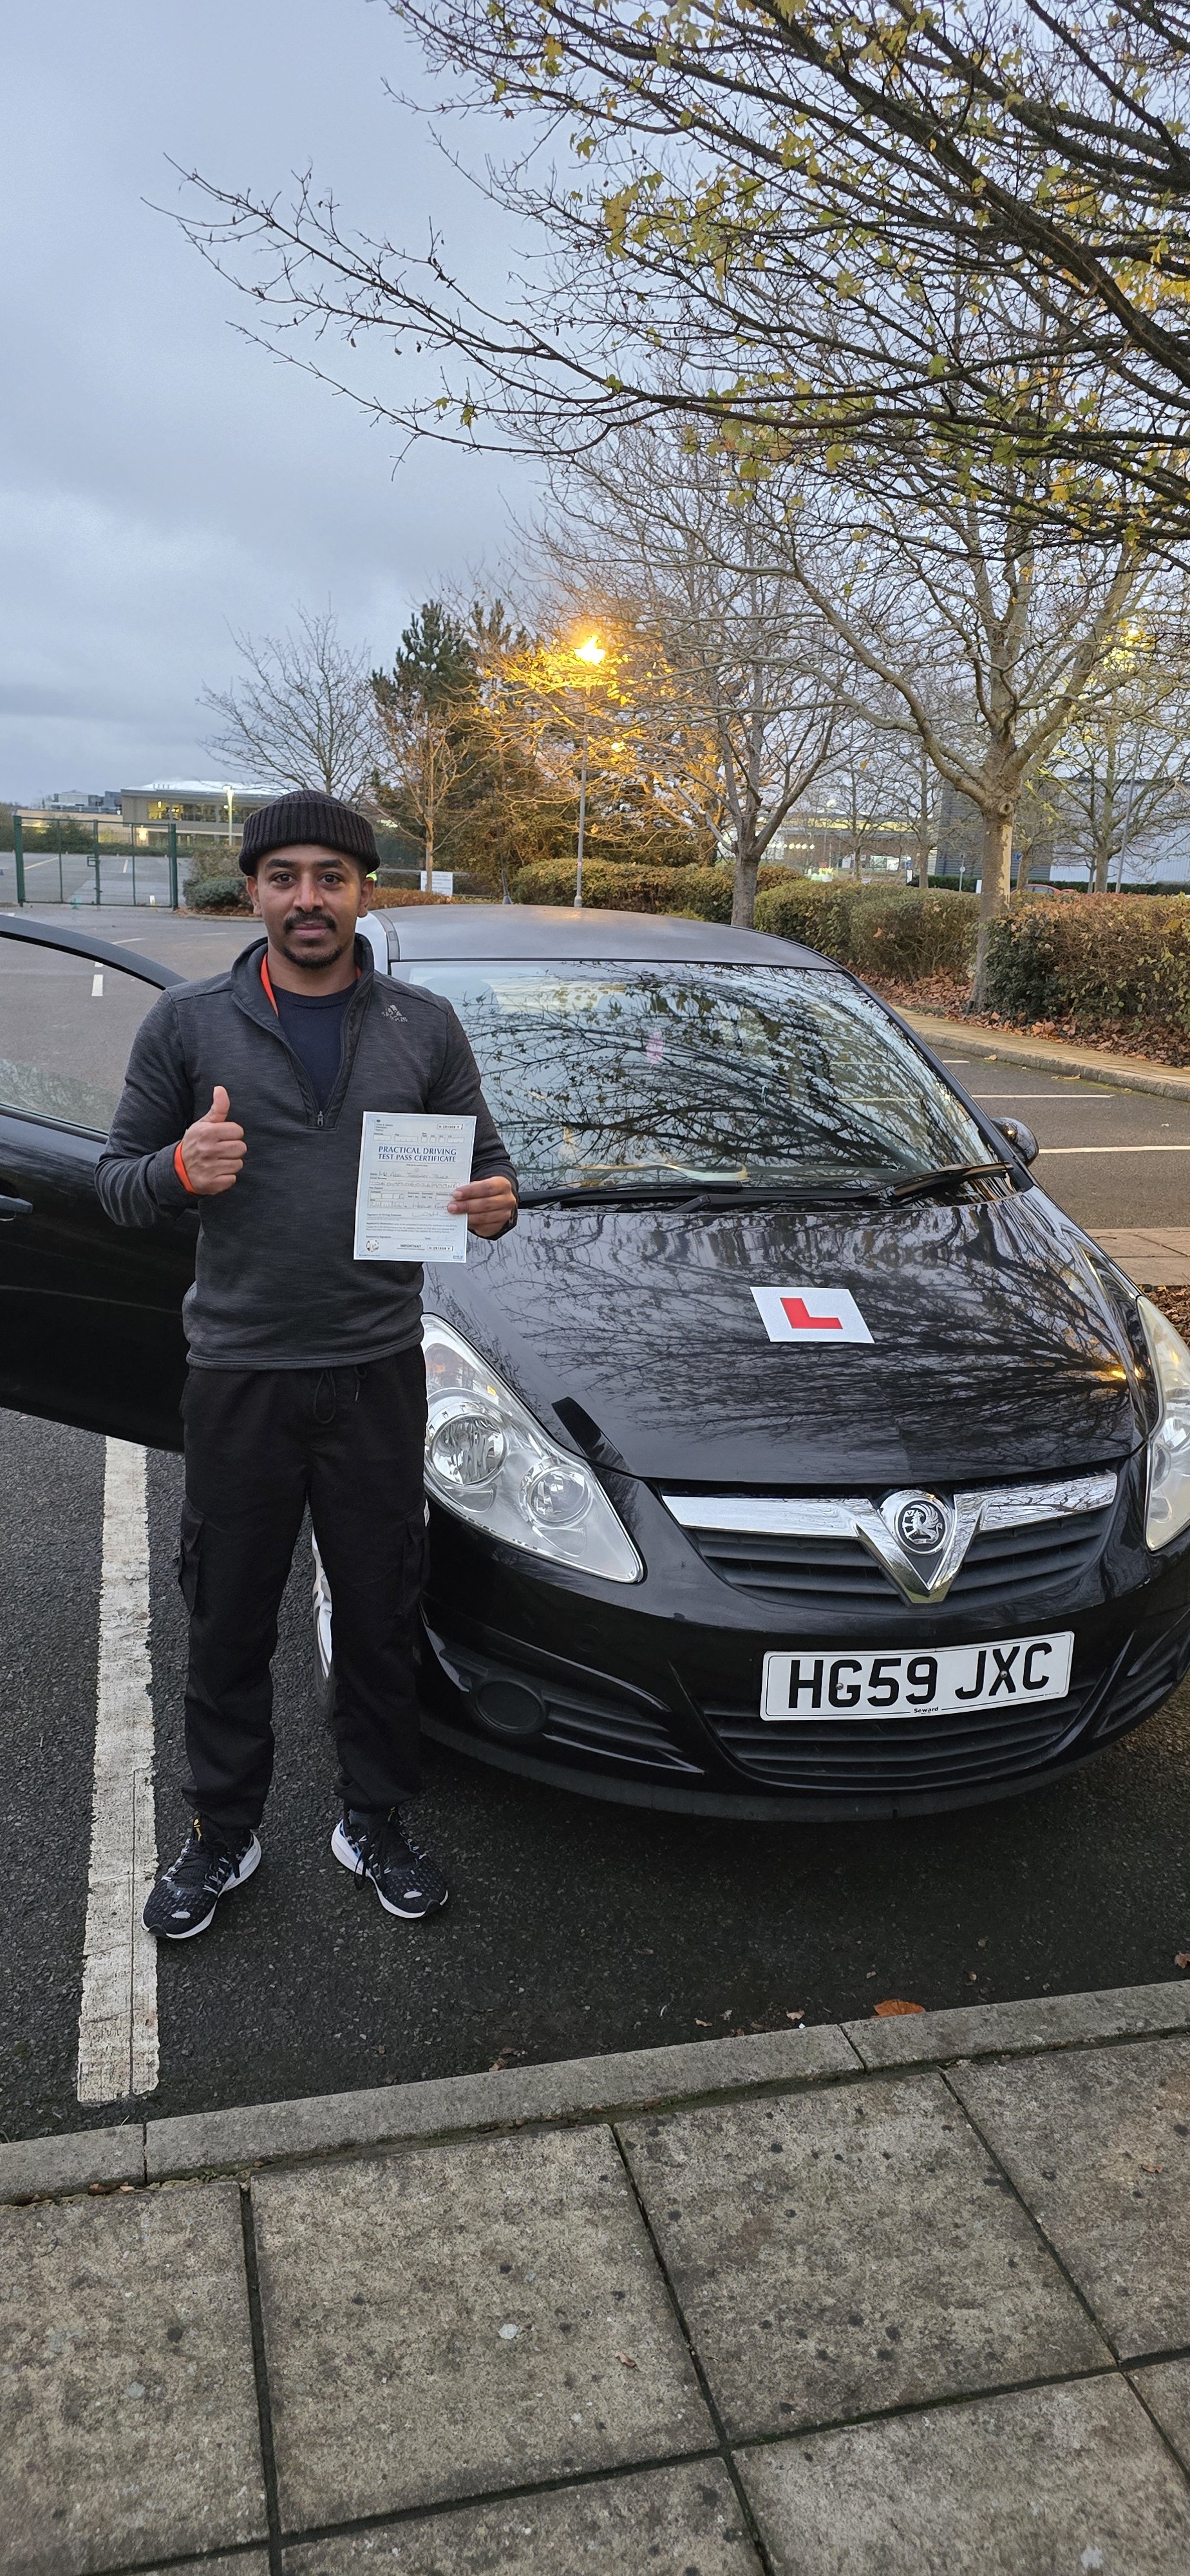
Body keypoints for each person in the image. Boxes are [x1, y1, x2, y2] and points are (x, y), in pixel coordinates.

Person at [96, 790, 517, 1939]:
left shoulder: (424, 1026)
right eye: (284, 877)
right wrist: (181, 1169)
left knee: (381, 1610)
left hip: (379, 1366)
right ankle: (222, 1834)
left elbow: (489, 1177)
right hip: (241, 1373)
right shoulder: (187, 1025)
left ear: (365, 890)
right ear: (254, 890)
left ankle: (372, 1817)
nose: (309, 899)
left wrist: (494, 1205)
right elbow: (115, 1185)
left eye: (332, 876)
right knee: (228, 1614)